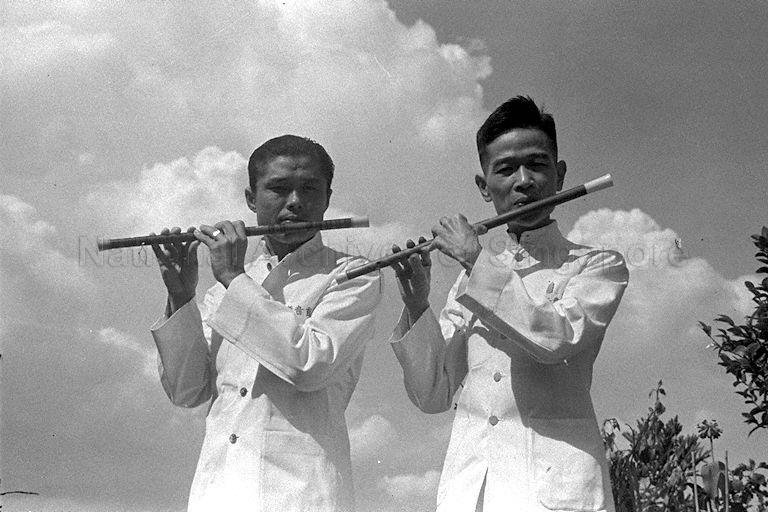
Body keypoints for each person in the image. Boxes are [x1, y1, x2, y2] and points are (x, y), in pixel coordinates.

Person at [389, 96, 629, 511]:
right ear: (484, 187)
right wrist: (416, 306)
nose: (523, 181)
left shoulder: (597, 264)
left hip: (555, 491)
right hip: (474, 492)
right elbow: (433, 395)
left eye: (536, 165)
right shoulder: (470, 281)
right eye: (505, 169)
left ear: (559, 174)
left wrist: (473, 258)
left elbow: (556, 339)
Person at [149, 135, 381, 512]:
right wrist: (181, 297)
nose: (294, 202)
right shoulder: (229, 286)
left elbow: (311, 365)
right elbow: (186, 391)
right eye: (278, 189)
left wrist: (233, 278)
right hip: (220, 493)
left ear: (327, 198)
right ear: (251, 199)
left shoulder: (352, 274)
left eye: (309, 189)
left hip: (303, 495)